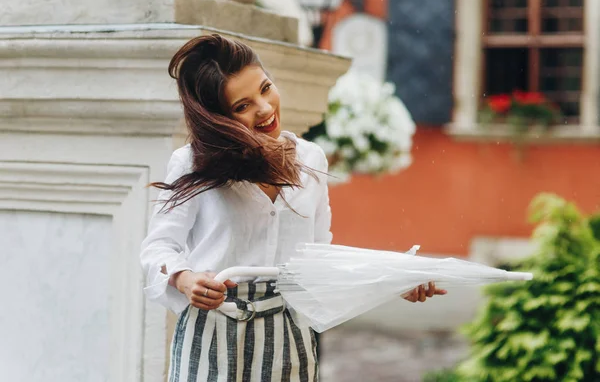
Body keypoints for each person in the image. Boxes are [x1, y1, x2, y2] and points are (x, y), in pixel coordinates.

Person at [140, 33, 447, 382]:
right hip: (213, 332)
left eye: (265, 88)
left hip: (288, 334)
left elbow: (318, 264)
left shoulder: (310, 160)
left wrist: (392, 281)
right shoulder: (192, 163)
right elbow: (157, 248)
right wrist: (184, 279)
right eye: (242, 106)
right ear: (218, 119)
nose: (266, 108)